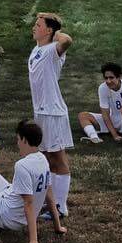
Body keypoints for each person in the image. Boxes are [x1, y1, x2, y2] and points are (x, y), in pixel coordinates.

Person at [27, 12, 73, 217]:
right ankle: (52, 203)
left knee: (57, 157)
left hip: (53, 112)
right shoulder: (37, 50)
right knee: (45, 158)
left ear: (48, 30)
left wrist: (55, 30)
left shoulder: (53, 50)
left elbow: (67, 40)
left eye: (38, 25)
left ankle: (61, 207)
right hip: (41, 112)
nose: (34, 27)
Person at [79, 64, 122, 144]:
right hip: (114, 119)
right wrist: (115, 135)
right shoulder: (102, 88)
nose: (108, 81)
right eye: (106, 78)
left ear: (119, 77)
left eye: (111, 78)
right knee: (82, 115)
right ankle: (94, 138)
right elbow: (105, 114)